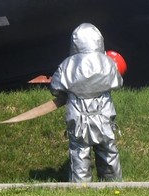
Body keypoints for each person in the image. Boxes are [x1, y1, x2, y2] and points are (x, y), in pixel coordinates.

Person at [49, 23, 123, 183]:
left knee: (79, 154)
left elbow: (55, 88)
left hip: (78, 120)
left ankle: (81, 189)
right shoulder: (108, 63)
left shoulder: (67, 65)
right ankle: (113, 186)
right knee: (108, 153)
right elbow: (118, 82)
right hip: (103, 117)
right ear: (98, 40)